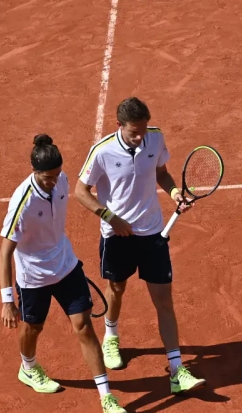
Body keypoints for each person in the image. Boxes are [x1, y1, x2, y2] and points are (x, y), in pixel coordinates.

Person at [74, 97, 206, 395]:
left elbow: (161, 171)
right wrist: (109, 216)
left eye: (144, 129)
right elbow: (81, 191)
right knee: (116, 289)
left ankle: (176, 370)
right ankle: (111, 335)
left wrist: (174, 193)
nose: (141, 136)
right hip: (116, 236)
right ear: (119, 125)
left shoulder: (155, 138)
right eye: (135, 131)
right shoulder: (103, 152)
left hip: (152, 232)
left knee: (164, 300)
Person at [0, 133, 128, 413]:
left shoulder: (62, 180)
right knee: (33, 329)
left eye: (57, 176)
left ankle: (106, 396)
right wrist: (8, 300)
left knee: (83, 326)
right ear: (34, 172)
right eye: (47, 178)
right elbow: (5, 252)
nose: (54, 182)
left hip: (66, 265)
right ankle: (28, 368)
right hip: (33, 277)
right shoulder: (23, 202)